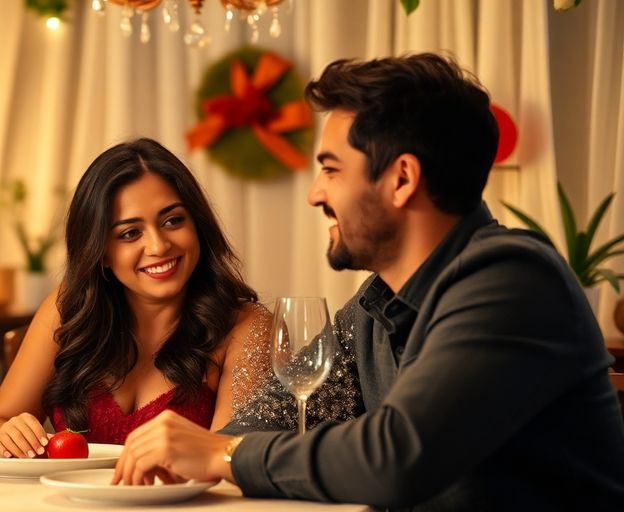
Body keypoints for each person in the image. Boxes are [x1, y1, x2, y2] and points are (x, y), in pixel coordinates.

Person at [112, 53, 624, 509]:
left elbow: (396, 457)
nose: (315, 194)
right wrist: (200, 454)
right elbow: (275, 417)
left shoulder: (511, 280)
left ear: (401, 179)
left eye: (331, 170)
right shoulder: (376, 306)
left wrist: (223, 452)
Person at [0, 138, 350, 459]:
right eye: (130, 233)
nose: (159, 245)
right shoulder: (68, 306)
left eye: (172, 221)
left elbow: (229, 462)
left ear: (196, 225)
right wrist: (9, 435)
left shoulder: (245, 328)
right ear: (100, 251)